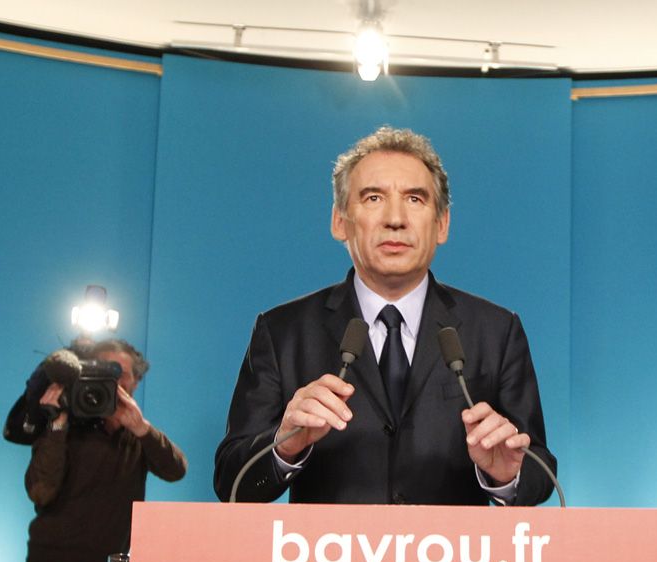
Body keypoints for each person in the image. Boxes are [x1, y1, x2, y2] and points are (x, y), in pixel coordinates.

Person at [214, 127, 556, 506]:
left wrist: (507, 475)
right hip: (329, 546)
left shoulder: (496, 331)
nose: (395, 219)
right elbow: (232, 481)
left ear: (442, 224)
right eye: (373, 197)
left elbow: (540, 472)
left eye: (415, 199)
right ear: (339, 221)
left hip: (448, 546)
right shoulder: (283, 332)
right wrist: (284, 445)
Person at [17, 338, 186, 562]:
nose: (113, 381)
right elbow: (40, 492)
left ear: (135, 382)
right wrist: (58, 423)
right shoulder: (64, 428)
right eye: (105, 371)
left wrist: (141, 428)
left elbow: (176, 469)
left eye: (121, 373)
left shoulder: (137, 438)